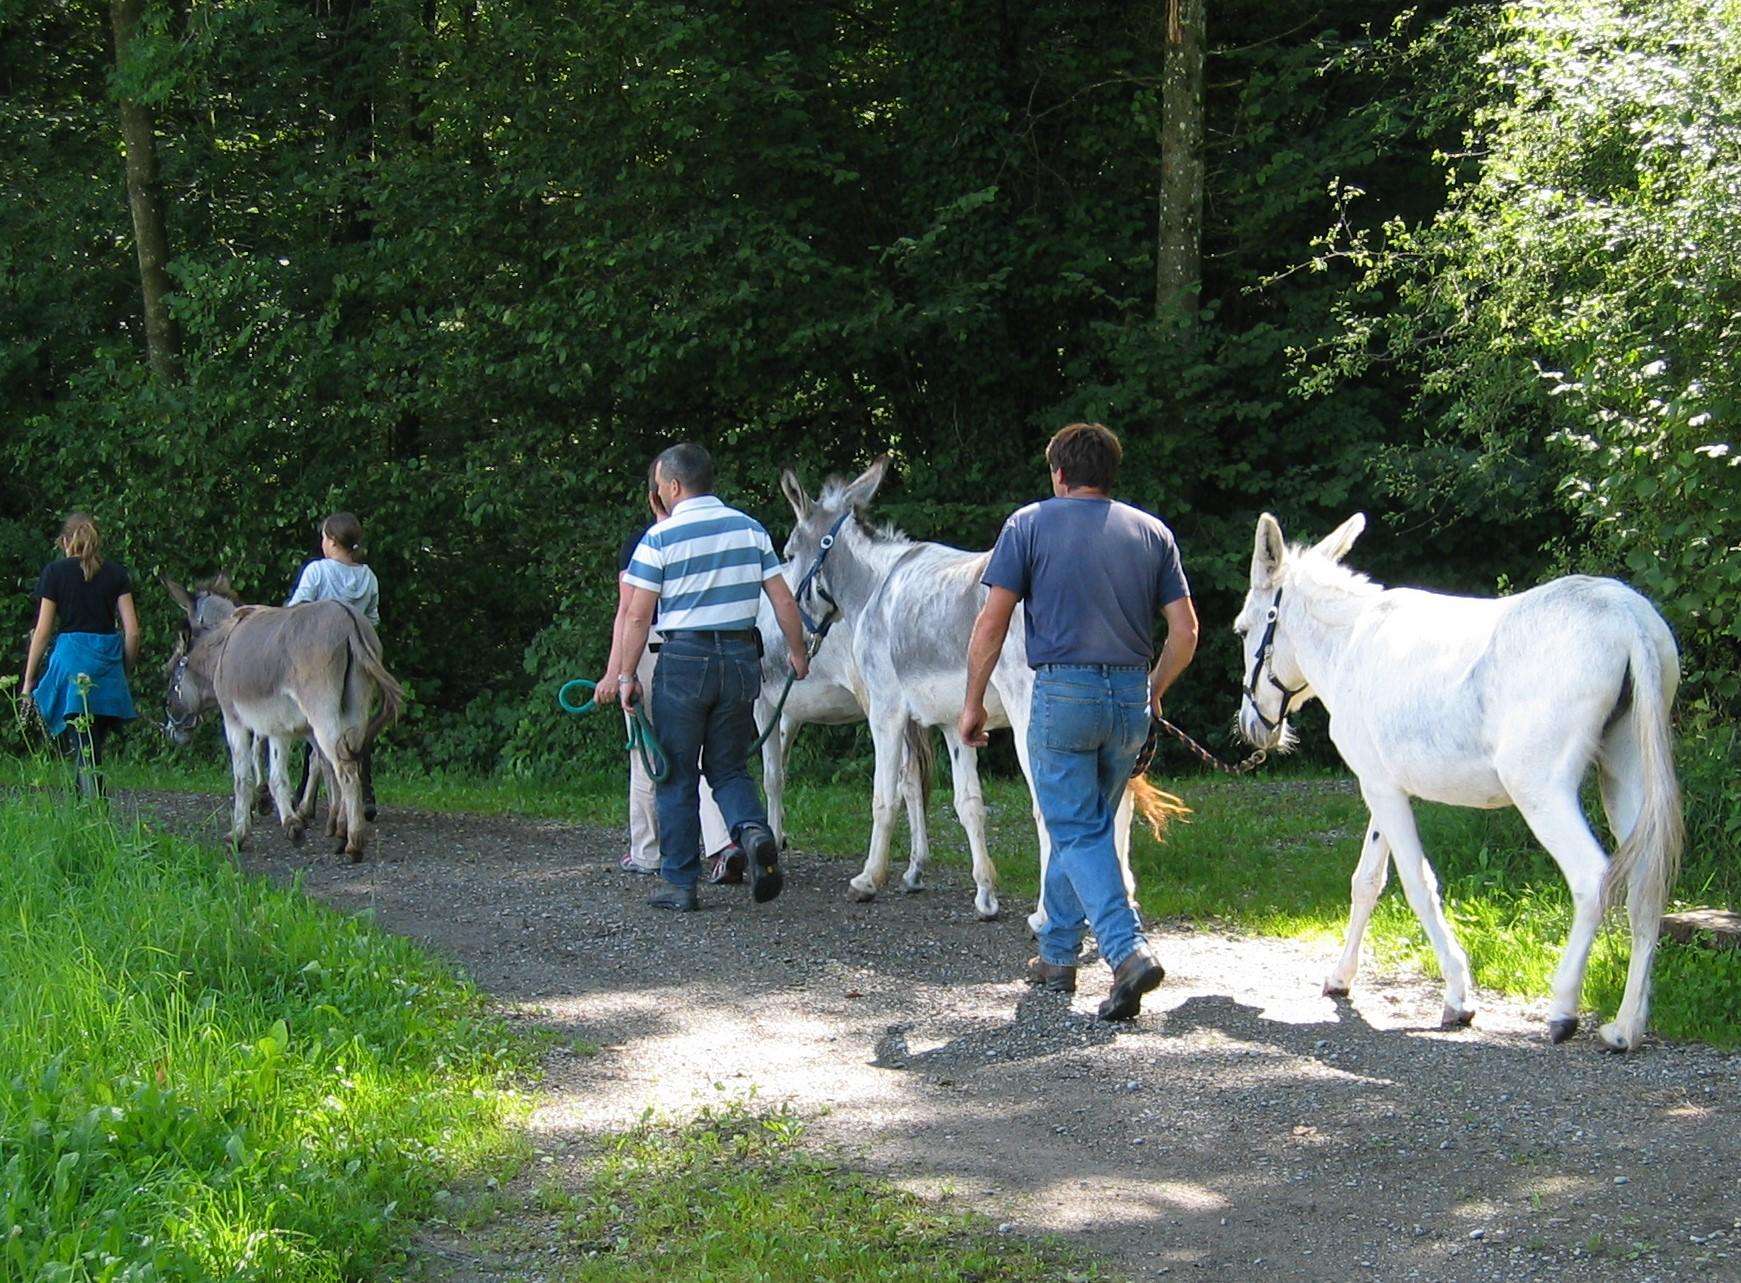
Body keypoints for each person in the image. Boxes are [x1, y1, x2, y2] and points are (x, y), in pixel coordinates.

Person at [958, 423, 1199, 1020]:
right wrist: (1153, 690)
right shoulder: (1152, 532)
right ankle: (1057, 954)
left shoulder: (1028, 524)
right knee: (1083, 826)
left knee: (1077, 827)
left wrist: (973, 703)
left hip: (1064, 694)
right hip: (1129, 698)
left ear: (1059, 474)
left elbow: (991, 624)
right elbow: (1186, 631)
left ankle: (1126, 950)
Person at [596, 443, 809, 911]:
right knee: (728, 768)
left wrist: (626, 675)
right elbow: (783, 600)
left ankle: (679, 884)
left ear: (673, 486)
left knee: (676, 773)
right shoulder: (750, 529)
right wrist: (797, 653)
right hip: (740, 658)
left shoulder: (660, 538)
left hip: (683, 662)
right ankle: (752, 831)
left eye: (659, 486)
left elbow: (637, 616)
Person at [607, 462, 742, 882]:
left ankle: (648, 851)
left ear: (658, 495)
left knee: (650, 754)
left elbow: (630, 613)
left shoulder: (647, 541)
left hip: (655, 651)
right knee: (709, 757)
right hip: (713, 652)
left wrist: (617, 673)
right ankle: (725, 844)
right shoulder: (719, 535)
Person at [21, 513, 141, 796]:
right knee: (91, 742)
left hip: (71, 662)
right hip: (107, 664)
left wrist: (28, 681)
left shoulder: (54, 572)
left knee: (82, 740)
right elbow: (133, 632)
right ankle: (86, 803)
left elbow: (43, 631)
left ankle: (93, 805)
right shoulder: (116, 574)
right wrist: (124, 669)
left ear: (65, 542)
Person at [286, 512, 381, 817]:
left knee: (316, 723)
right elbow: (372, 619)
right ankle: (364, 794)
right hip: (359, 654)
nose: (322, 543)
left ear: (332, 541)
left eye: (324, 537)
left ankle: (306, 794)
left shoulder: (317, 571)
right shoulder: (368, 577)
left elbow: (296, 609)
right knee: (356, 723)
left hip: (320, 656)